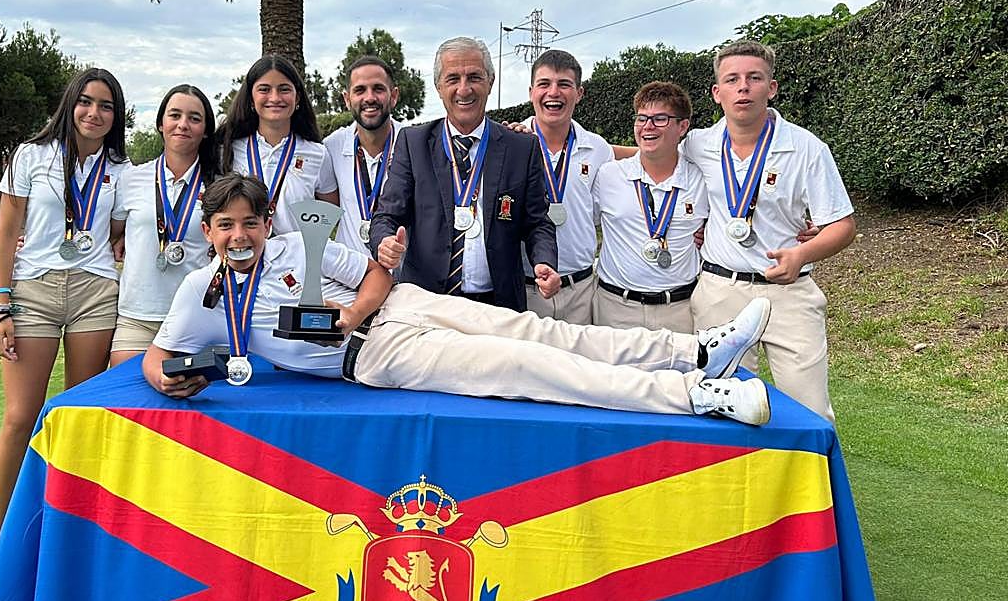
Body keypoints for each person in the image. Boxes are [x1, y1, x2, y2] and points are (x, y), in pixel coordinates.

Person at [143, 175, 773, 426]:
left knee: (546, 334)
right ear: (209, 233)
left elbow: (373, 274)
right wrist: (166, 380)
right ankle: (695, 397)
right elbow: (159, 355)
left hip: (404, 305)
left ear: (264, 222)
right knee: (526, 366)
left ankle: (693, 351)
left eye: (249, 223)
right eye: (226, 226)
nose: (240, 236)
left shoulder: (294, 244)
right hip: (374, 360)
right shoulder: (203, 292)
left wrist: (355, 311)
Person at [0, 68, 130, 592]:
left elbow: (118, 235)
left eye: (106, 106)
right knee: (20, 417)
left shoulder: (121, 168)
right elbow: (6, 233)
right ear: (69, 104)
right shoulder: (30, 156)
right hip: (33, 291)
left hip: (94, 292)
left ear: (116, 115)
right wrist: (1, 305)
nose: (94, 113)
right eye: (86, 102)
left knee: (78, 415)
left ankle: (67, 534)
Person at [685, 40, 856, 422]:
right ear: (717, 93)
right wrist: (539, 136)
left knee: (809, 410)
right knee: (721, 404)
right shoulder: (698, 143)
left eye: (754, 78)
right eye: (732, 79)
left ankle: (812, 484)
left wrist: (801, 254)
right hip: (719, 291)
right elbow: (650, 154)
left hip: (789, 292)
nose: (742, 87)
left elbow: (843, 225)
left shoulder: (807, 147)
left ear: (771, 87)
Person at [370, 37, 560, 309]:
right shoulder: (414, 143)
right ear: (438, 87)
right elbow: (387, 214)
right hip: (427, 304)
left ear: (490, 82)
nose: (464, 89)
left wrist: (544, 261)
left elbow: (537, 222)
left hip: (499, 305)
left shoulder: (521, 147)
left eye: (474, 77)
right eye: (453, 79)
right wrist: (384, 242)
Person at [108, 84, 220, 365]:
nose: (183, 124)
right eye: (175, 115)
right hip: (137, 317)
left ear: (206, 130)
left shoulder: (219, 185)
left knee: (188, 398)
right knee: (127, 405)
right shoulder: (132, 177)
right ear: (161, 124)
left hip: (197, 316)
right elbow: (108, 234)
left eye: (195, 118)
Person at [593, 82, 708, 333]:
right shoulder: (608, 175)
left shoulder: (702, 179)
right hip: (615, 310)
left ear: (683, 126)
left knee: (680, 375)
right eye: (642, 118)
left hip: (680, 311)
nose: (647, 126)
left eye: (660, 119)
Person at [517, 49, 613, 322]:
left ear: (579, 93)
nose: (553, 92)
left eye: (564, 85)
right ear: (531, 91)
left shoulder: (597, 149)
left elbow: (598, 214)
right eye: (544, 84)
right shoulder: (511, 143)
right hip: (525, 290)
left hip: (581, 290)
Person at [218, 55, 339, 236]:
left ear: (297, 98)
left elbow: (329, 214)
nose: (275, 98)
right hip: (242, 259)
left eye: (284, 89)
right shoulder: (229, 150)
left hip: (297, 262)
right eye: (264, 89)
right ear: (251, 98)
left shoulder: (317, 154)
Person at [323, 55, 400, 254]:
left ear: (393, 96)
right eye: (360, 90)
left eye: (378, 89)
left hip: (401, 275)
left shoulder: (411, 143)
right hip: (349, 275)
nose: (369, 98)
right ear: (347, 99)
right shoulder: (331, 147)